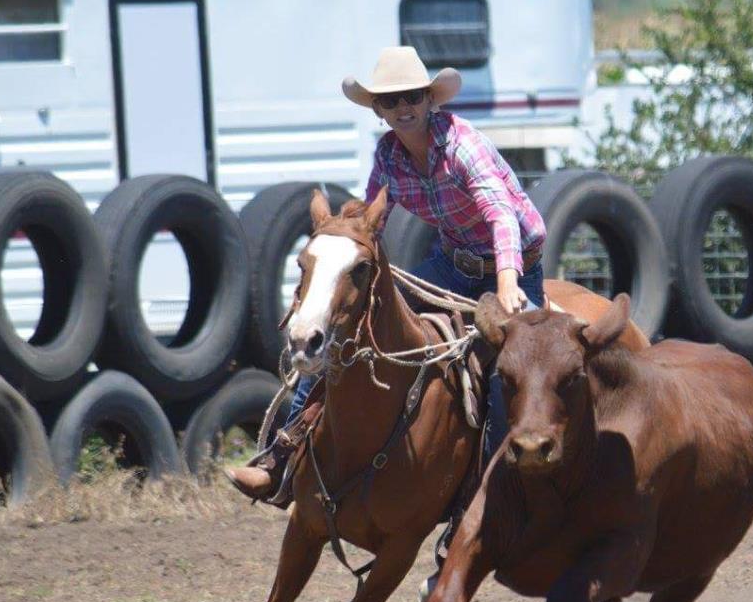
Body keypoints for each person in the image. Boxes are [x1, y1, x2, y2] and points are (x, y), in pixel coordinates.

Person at [226, 45, 547, 506]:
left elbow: (501, 215)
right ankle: (280, 460)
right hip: (453, 262)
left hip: (514, 265)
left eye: (413, 97)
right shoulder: (389, 157)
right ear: (378, 110)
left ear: (429, 100)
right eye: (391, 101)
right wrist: (341, 240)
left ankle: (497, 487)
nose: (404, 107)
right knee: (350, 333)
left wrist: (507, 280)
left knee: (514, 363)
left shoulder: (463, 146)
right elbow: (369, 221)